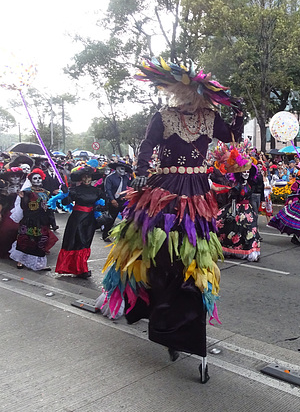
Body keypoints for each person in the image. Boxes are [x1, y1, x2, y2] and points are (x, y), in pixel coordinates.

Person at [96, 59, 244, 383]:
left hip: (199, 192)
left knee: (194, 261)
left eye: (198, 93)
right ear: (180, 91)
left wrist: (240, 115)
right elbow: (147, 145)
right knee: (160, 255)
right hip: (165, 190)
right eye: (188, 92)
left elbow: (232, 136)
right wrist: (140, 171)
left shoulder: (210, 118)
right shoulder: (163, 117)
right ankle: (162, 319)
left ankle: (187, 328)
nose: (193, 99)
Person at [55, 167, 106, 278]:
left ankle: (81, 267)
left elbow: (103, 204)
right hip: (77, 220)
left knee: (85, 243)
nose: (87, 179)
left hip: (90, 220)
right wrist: (65, 193)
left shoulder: (97, 191)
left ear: (92, 178)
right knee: (76, 242)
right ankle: (79, 269)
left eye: (89, 176)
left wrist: (99, 207)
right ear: (81, 178)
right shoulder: (75, 190)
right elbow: (65, 202)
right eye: (84, 176)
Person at [9, 169, 58, 271]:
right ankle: (20, 261)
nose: (38, 180)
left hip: (42, 221)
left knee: (41, 242)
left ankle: (40, 264)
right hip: (29, 220)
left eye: (39, 178)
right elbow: (24, 207)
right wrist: (22, 198)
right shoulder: (26, 192)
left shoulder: (46, 192)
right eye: (35, 178)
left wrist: (51, 222)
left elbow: (49, 208)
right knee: (25, 240)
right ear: (31, 180)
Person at [216, 170, 260, 261]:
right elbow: (232, 199)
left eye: (248, 172)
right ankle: (232, 249)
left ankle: (250, 251)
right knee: (234, 229)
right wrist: (233, 212)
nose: (246, 174)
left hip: (248, 209)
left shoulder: (249, 184)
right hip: (237, 209)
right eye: (244, 172)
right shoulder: (236, 185)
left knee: (251, 229)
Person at [102, 161, 133, 241]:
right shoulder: (110, 178)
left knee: (126, 218)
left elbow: (130, 186)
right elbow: (107, 190)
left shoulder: (126, 177)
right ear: (116, 168)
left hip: (122, 201)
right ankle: (106, 235)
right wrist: (112, 200)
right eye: (121, 168)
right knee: (111, 219)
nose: (123, 170)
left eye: (124, 169)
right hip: (113, 201)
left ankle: (122, 236)